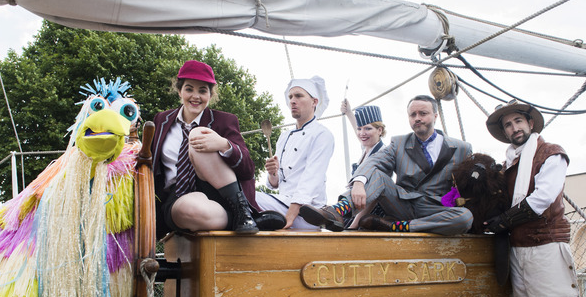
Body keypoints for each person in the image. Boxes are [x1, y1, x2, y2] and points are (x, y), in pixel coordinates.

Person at [484, 99, 578, 297]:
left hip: (546, 246)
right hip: (518, 250)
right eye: (508, 125)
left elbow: (542, 198)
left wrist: (502, 221)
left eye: (518, 122)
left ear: (531, 123)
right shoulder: (508, 164)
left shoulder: (551, 154)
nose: (514, 128)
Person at [300, 94, 473, 234]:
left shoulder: (461, 148)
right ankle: (337, 211)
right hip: (403, 204)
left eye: (423, 113)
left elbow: (471, 185)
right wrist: (359, 182)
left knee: (465, 217)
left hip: (435, 209)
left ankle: (399, 227)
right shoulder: (399, 143)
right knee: (378, 176)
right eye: (413, 115)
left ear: (435, 116)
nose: (417, 118)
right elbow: (375, 161)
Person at [152, 60, 284, 236]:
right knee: (188, 210)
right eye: (189, 89)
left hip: (220, 193)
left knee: (198, 134)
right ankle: (244, 220)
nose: (195, 96)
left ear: (210, 94)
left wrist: (224, 144)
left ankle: (241, 211)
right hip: (180, 196)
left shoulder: (225, 120)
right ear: (179, 91)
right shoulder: (161, 120)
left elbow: (248, 169)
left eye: (202, 91)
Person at [255, 76, 335, 229]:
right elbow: (276, 184)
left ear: (314, 102)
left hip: (307, 212)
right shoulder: (284, 137)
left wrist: (289, 217)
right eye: (290, 96)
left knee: (246, 196)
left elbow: (312, 178)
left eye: (299, 96)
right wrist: (273, 173)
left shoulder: (322, 134)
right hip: (282, 201)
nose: (292, 100)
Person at [341, 100, 387, 175]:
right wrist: (348, 112)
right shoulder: (367, 147)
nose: (362, 133)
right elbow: (357, 129)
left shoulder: (382, 155)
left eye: (368, 129)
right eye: (359, 129)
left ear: (379, 130)